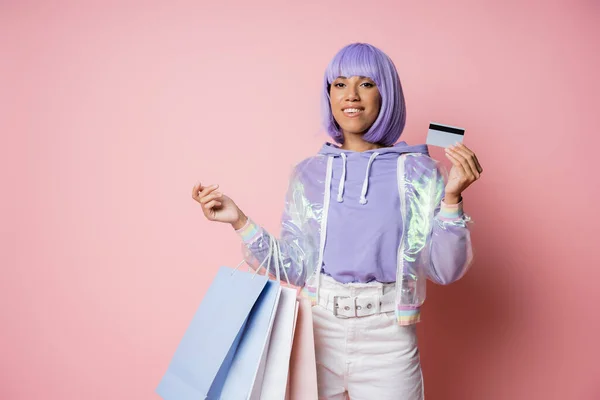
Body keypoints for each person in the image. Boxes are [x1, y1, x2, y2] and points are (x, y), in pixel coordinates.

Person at [192, 42, 483, 400]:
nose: (352, 95)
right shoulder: (309, 174)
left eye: (367, 83)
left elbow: (444, 268)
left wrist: (451, 200)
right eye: (340, 83)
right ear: (329, 94)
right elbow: (296, 267)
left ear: (386, 93)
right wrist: (239, 220)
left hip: (388, 336)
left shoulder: (419, 171)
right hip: (317, 330)